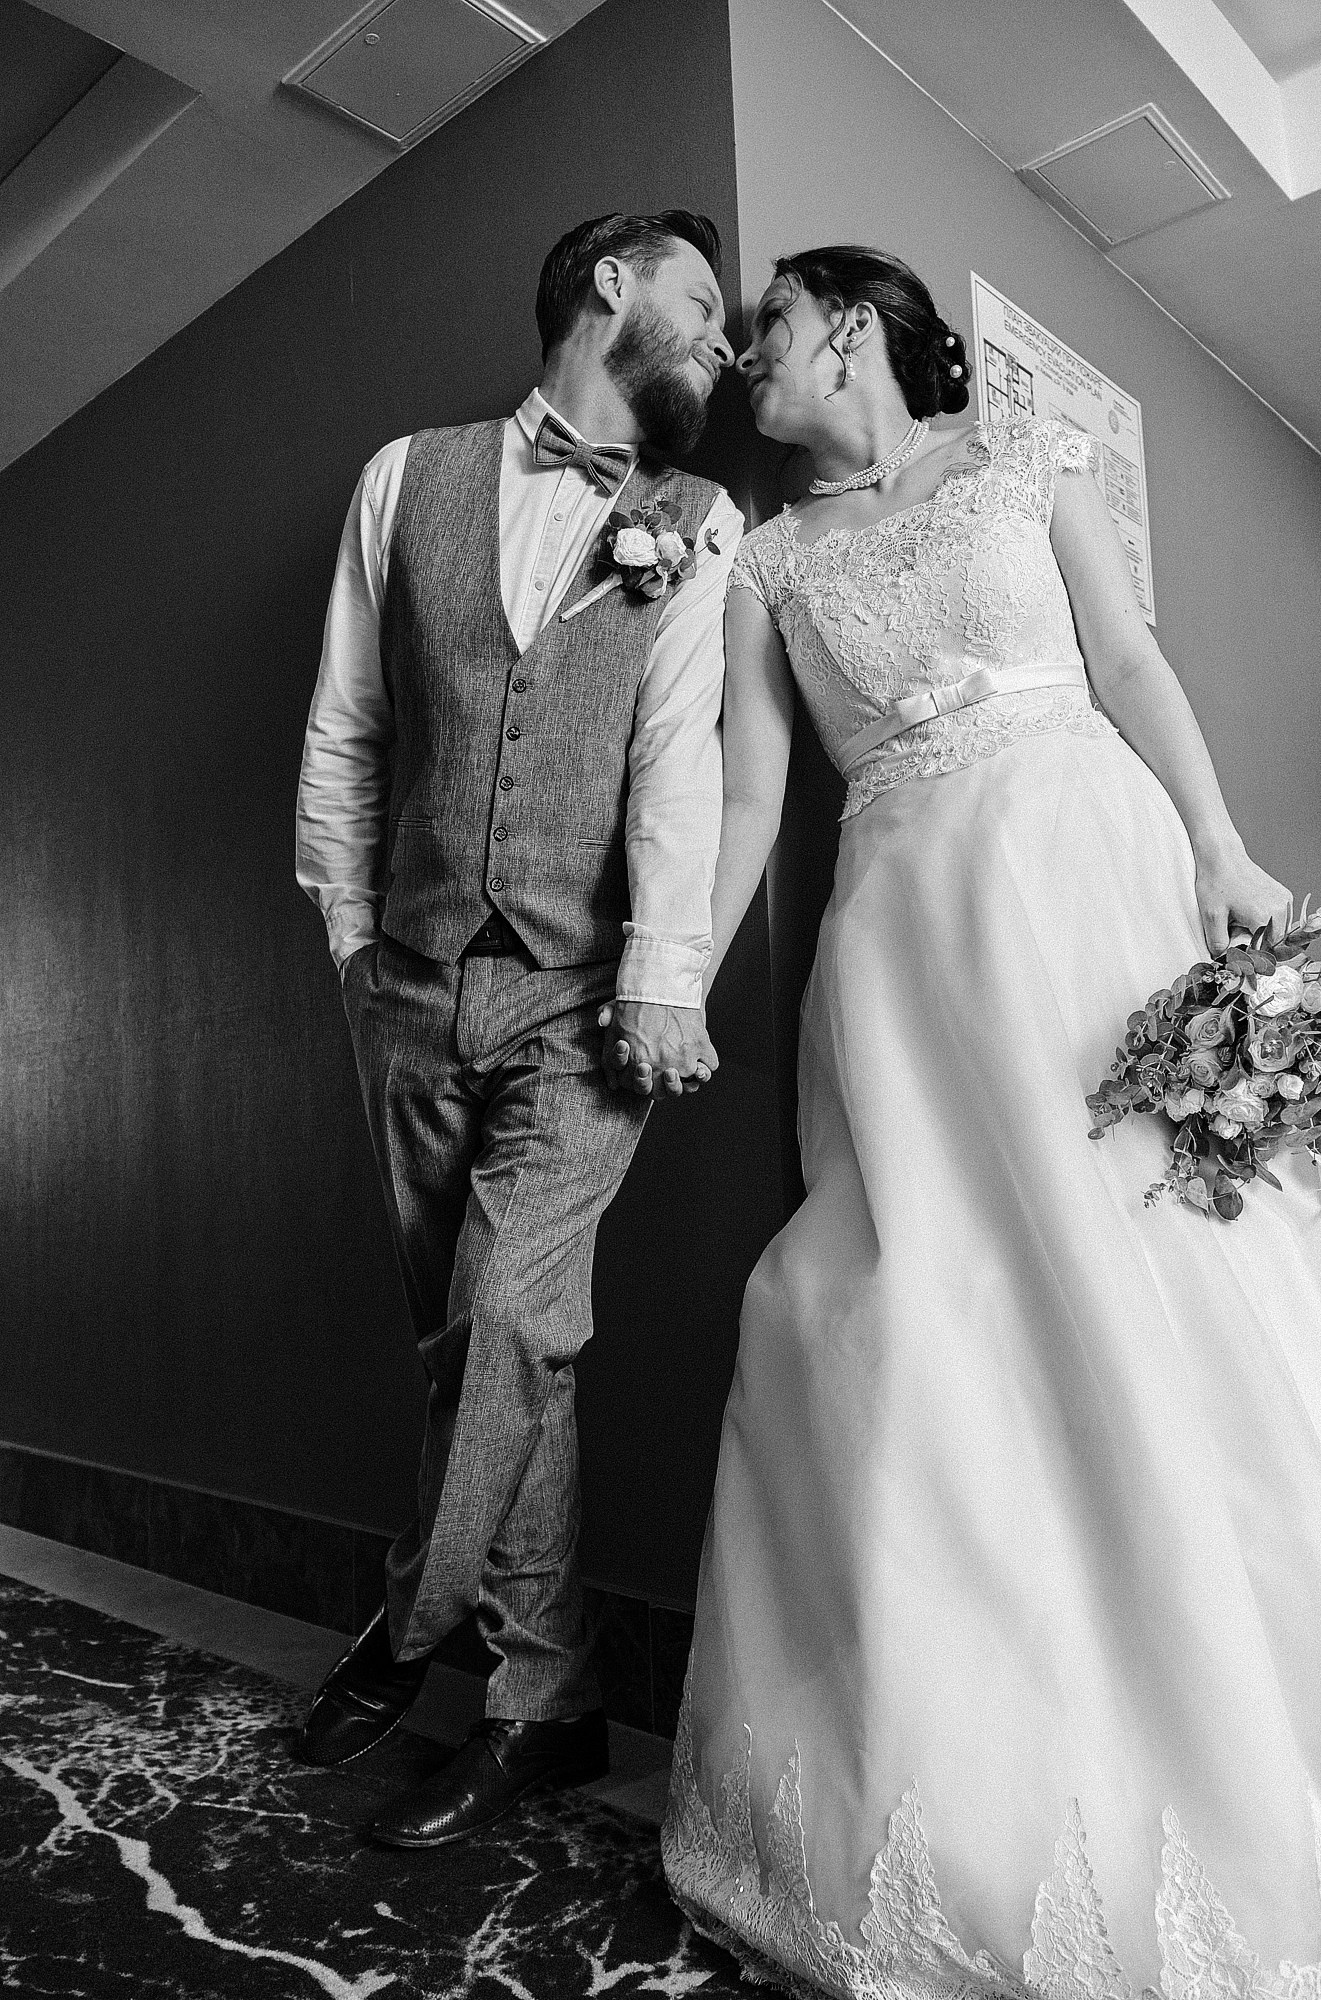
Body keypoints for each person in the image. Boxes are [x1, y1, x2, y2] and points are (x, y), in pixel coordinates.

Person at [660, 245, 1321, 1996]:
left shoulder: (1032, 468)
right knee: (937, 1294)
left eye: (768, 331)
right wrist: (676, 980)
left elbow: (1128, 663)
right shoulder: (767, 561)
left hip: (1087, 871)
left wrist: (1219, 846)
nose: (746, 367)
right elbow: (751, 794)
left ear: (849, 329)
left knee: (1160, 1240)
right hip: (906, 934)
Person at [294, 210, 741, 1847]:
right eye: (702, 301)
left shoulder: (700, 521)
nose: (724, 339)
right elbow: (346, 726)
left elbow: (678, 756)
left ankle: (405, 1619)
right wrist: (354, 942)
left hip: (584, 993)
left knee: (501, 1323)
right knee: (489, 1359)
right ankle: (541, 1710)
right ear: (610, 284)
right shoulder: (402, 478)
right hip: (407, 979)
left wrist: (663, 971)